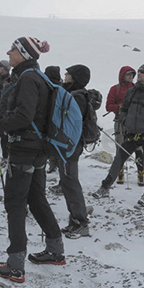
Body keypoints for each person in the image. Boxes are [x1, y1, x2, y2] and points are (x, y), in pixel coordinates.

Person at [0, 36, 65, 283]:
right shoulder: (38, 77)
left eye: (14, 50)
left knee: (15, 203)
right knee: (36, 198)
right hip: (38, 149)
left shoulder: (28, 78)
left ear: (24, 54)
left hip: (24, 149)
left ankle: (15, 264)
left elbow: (23, 116)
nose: (8, 53)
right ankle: (55, 249)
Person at [92, 64, 144, 209]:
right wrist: (125, 120)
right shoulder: (132, 92)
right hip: (131, 134)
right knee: (118, 161)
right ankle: (105, 187)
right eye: (138, 71)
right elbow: (124, 109)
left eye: (142, 72)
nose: (138, 74)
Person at [55, 64, 92, 239]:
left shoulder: (77, 97)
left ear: (75, 78)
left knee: (70, 183)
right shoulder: (72, 94)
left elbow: (72, 124)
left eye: (68, 74)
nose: (65, 76)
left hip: (70, 146)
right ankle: (75, 221)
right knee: (68, 182)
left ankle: (81, 222)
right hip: (69, 145)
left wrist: (67, 144)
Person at [105, 66, 144, 185]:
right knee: (120, 147)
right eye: (129, 74)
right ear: (122, 75)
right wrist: (122, 107)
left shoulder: (137, 89)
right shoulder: (115, 89)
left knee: (138, 148)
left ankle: (140, 172)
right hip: (121, 122)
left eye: (132, 74)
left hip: (134, 122)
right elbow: (108, 106)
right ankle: (120, 171)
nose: (131, 77)